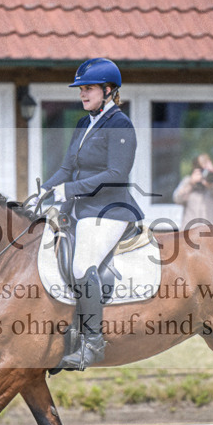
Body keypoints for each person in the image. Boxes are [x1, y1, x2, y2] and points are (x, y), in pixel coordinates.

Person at [36, 58, 143, 371]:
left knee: (82, 264)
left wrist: (69, 190)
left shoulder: (120, 125)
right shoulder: (84, 124)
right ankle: (68, 335)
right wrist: (44, 191)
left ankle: (93, 342)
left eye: (89, 88)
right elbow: (67, 168)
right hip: (81, 209)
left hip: (110, 210)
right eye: (81, 89)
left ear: (108, 91)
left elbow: (116, 174)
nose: (82, 94)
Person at [172, 153, 213, 227]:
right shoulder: (188, 182)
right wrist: (190, 184)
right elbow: (177, 199)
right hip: (190, 232)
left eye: (207, 168)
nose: (205, 172)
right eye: (202, 169)